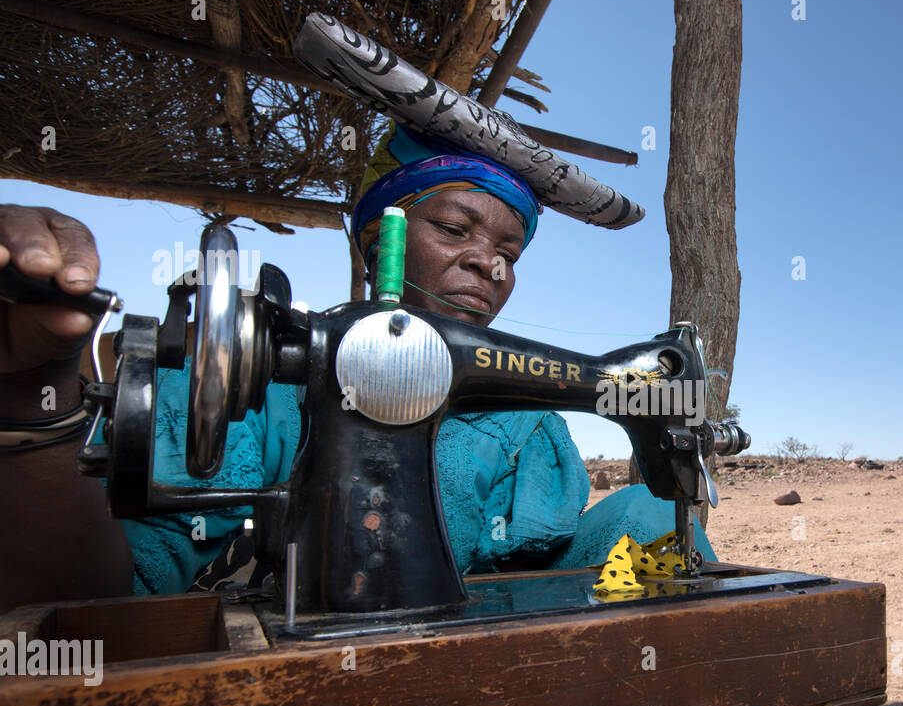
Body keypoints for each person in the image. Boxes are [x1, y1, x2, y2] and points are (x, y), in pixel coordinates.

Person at [0, 124, 714, 607]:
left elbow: (548, 565)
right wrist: (36, 389)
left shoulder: (527, 423)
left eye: (510, 253)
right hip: (314, 668)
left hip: (496, 665)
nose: (487, 263)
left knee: (650, 520)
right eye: (454, 228)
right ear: (380, 240)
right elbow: (96, 600)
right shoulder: (266, 383)